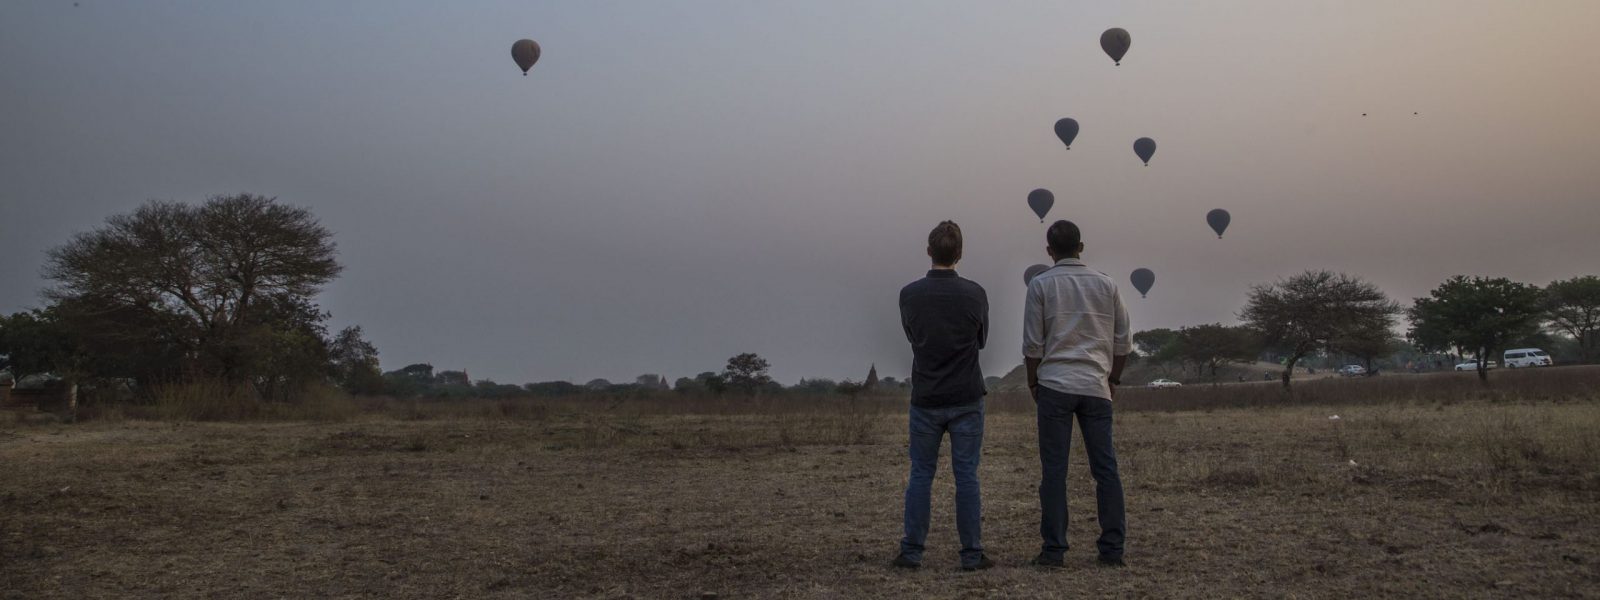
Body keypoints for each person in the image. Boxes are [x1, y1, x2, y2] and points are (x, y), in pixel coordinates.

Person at [1023, 220, 1130, 569]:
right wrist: (1112, 378)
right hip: (1096, 385)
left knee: (1054, 471)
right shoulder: (1107, 284)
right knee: (1106, 468)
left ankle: (1054, 550)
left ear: (1049, 251)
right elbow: (1123, 341)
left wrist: (1033, 382)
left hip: (1054, 384)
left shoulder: (1040, 285)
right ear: (1081, 247)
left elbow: (1033, 344)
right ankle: (1112, 549)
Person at [893, 220, 992, 571]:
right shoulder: (975, 293)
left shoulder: (909, 294)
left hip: (926, 396)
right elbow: (981, 340)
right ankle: (971, 554)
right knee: (967, 475)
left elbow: (912, 336)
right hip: (966, 395)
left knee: (921, 473)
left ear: (928, 251)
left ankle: (912, 551)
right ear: (960, 253)